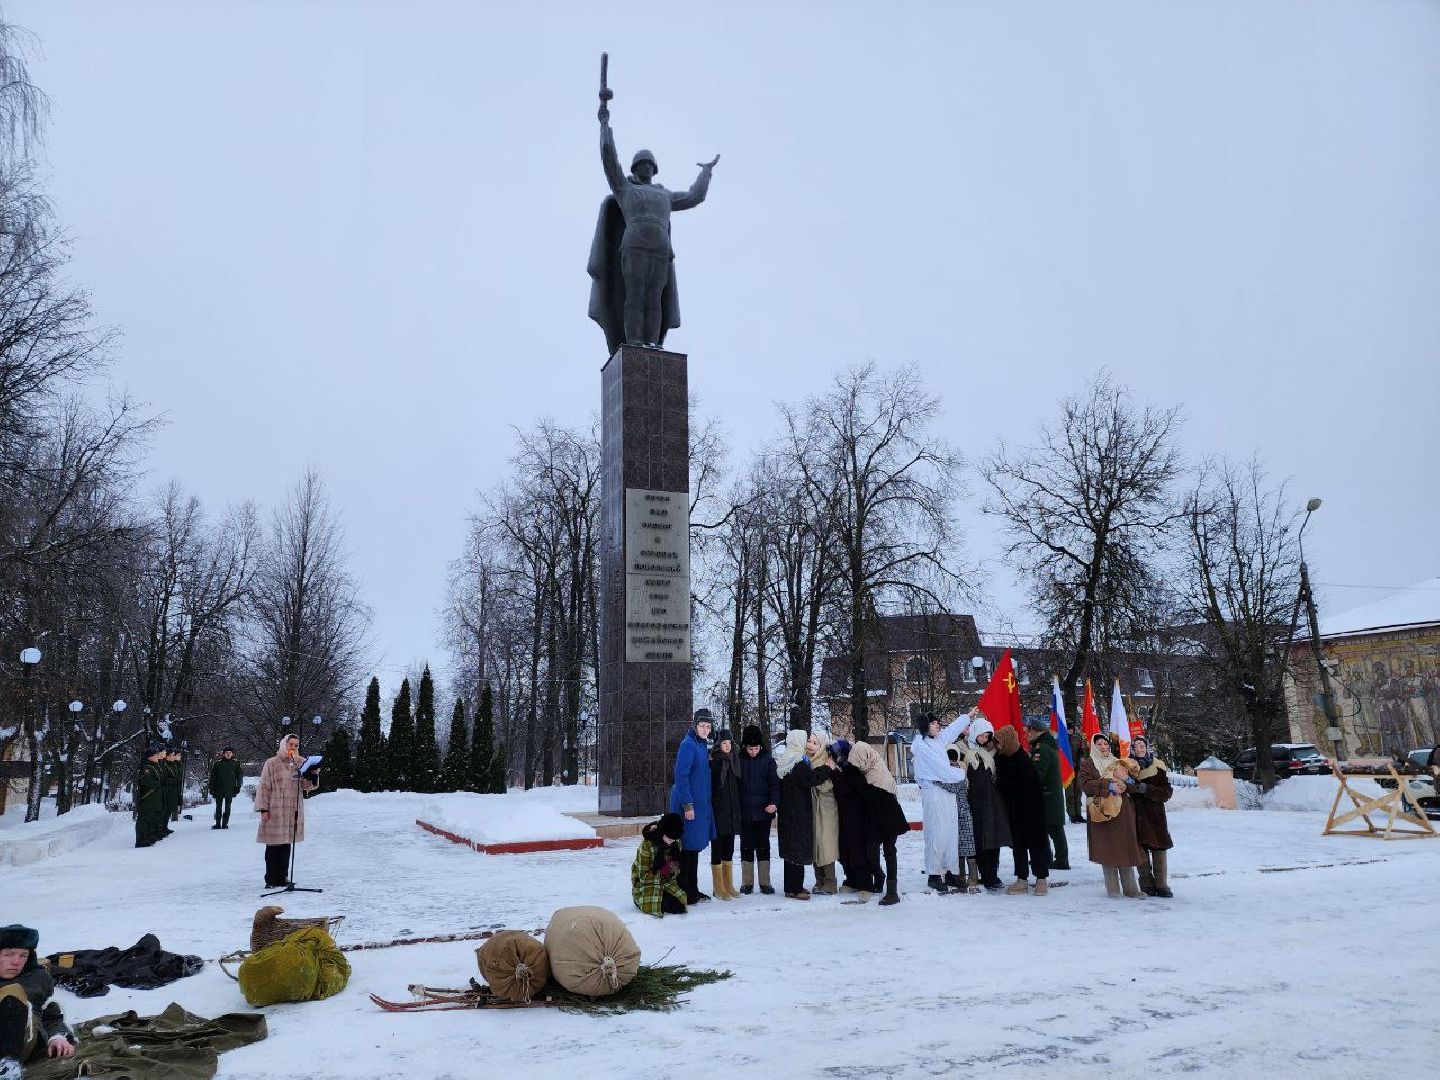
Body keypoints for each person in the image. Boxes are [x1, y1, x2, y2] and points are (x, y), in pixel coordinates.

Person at [591, 91, 719, 351]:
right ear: (635, 167)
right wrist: (605, 123)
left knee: (655, 299)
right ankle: (635, 341)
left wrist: (706, 172)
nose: (648, 167)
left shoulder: (664, 195)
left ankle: (652, 343)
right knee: (635, 295)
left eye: (651, 164)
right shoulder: (625, 189)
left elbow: (695, 197)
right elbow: (608, 159)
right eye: (643, 163)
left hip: (660, 248)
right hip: (634, 244)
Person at [911, 709, 977, 892]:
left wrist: (967, 716)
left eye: (938, 722)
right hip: (933, 792)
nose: (937, 725)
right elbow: (943, 770)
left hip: (947, 791)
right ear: (925, 726)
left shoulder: (938, 739)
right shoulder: (923, 747)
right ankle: (934, 874)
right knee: (937, 834)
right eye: (933, 723)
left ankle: (951, 872)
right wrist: (961, 773)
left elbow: (952, 731)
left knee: (950, 833)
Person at [1076, 733, 1147, 899]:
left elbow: (1133, 786)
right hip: (1103, 811)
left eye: (1105, 744)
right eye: (1099, 744)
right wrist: (1109, 785)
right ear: (1094, 747)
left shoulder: (1117, 762)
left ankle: (1131, 889)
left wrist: (1127, 780)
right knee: (1108, 850)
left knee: (1126, 848)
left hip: (1123, 812)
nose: (1104, 747)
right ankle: (1113, 889)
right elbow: (1086, 785)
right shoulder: (1089, 763)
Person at [0, 924, 76, 1077]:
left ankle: (9, 1068)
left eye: (23, 956)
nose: (16, 962)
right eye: (9, 954)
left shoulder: (37, 979)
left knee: (12, 992)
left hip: (22, 1042)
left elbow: (51, 1013)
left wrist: (58, 1037)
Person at [847, 741, 909, 905]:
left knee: (889, 852)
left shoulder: (877, 769)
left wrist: (856, 779)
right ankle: (879, 876)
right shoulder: (866, 768)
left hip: (889, 815)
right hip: (874, 818)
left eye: (857, 759)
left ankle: (892, 891)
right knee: (870, 849)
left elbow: (871, 794)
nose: (856, 763)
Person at [255, 734, 319, 889]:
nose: (293, 747)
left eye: (296, 745)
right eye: (291, 744)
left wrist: (314, 776)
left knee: (286, 844)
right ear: (284, 744)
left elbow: (307, 785)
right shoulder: (271, 763)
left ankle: (282, 877)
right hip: (275, 808)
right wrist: (263, 808)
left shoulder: (300, 762)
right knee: (273, 845)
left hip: (293, 808)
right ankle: (270, 878)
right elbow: (264, 786)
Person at [994, 726, 1052, 896]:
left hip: (1031, 810)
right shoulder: (1001, 758)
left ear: (1007, 741)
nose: (997, 746)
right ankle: (1021, 879)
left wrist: (1001, 784)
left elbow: (1025, 785)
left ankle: (1041, 879)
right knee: (1018, 846)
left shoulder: (1023, 759)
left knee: (1036, 845)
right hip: (1013, 810)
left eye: (999, 742)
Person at [668, 712, 715, 904]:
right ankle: (684, 890)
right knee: (686, 849)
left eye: (709, 727)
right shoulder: (688, 745)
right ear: (695, 726)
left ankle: (692, 889)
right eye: (703, 726)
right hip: (688, 806)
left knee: (693, 848)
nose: (706, 730)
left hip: (700, 805)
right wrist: (687, 805)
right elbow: (681, 777)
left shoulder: (701, 745)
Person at [966, 718, 1013, 892]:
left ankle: (993, 874)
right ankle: (986, 875)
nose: (984, 739)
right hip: (976, 803)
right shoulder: (967, 753)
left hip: (994, 803)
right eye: (981, 735)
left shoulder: (995, 753)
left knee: (994, 840)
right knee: (981, 841)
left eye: (987, 736)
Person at [775, 729, 821, 900]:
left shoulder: (785, 759)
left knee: (790, 851)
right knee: (798, 850)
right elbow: (810, 780)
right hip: (799, 812)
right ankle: (796, 888)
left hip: (787, 813)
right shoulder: (798, 763)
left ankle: (791, 886)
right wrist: (825, 769)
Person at [1128, 736, 1175, 897]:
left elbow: (1166, 792)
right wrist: (1133, 788)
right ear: (1132, 749)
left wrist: (1146, 789)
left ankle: (1162, 885)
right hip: (1135, 814)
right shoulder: (1127, 767)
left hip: (1155, 815)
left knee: (1158, 847)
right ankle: (1146, 883)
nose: (1139, 749)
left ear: (1147, 748)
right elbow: (1125, 789)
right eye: (1136, 747)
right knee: (1140, 849)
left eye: (1142, 746)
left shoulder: (1158, 767)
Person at [736, 724, 780, 895]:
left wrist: (774, 803)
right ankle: (747, 883)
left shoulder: (768, 760)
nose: (753, 751)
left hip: (764, 812)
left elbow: (775, 785)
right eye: (750, 748)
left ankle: (765, 882)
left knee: (763, 846)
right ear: (744, 747)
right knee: (746, 846)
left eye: (756, 748)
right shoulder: (738, 760)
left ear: (761, 746)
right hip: (745, 812)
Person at [1025, 715, 1071, 870]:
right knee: (1049, 828)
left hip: (1047, 796)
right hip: (1049, 795)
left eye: (1029, 730)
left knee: (1054, 829)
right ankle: (1049, 858)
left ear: (1037, 731)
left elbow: (1038, 773)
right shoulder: (1045, 745)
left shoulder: (1041, 748)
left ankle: (1060, 860)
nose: (1027, 733)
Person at [829, 739, 872, 893]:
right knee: (845, 849)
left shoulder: (853, 769)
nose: (833, 758)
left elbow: (845, 788)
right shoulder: (843, 769)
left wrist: (833, 772)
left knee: (857, 850)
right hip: (845, 816)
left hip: (857, 818)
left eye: (834, 755)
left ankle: (865, 883)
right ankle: (852, 880)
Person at [631, 813, 689, 917]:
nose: (671, 841)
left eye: (674, 839)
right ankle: (639, 899)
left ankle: (663, 897)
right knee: (656, 907)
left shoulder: (676, 842)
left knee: (680, 906)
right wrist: (661, 870)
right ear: (663, 832)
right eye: (669, 838)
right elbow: (643, 876)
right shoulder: (647, 845)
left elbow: (675, 872)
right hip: (647, 883)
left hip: (666, 881)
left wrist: (672, 868)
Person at [708, 728, 743, 901]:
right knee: (717, 848)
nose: (727, 746)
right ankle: (718, 887)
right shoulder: (715, 762)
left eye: (729, 742)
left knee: (729, 848)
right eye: (724, 743)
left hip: (733, 812)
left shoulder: (736, 761)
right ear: (718, 745)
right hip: (718, 811)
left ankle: (728, 885)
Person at [942, 746, 981, 891]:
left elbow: (954, 787)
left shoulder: (959, 770)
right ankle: (961, 877)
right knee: (958, 848)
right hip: (956, 813)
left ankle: (971, 878)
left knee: (967, 847)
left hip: (962, 812)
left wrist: (936, 782)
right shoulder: (956, 768)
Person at [134, 744, 168, 849]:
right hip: (147, 798)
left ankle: (148, 836)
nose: (158, 756)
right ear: (150, 756)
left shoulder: (155, 766)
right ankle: (140, 840)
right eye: (156, 754)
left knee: (151, 819)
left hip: (154, 799)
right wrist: (159, 783)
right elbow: (147, 781)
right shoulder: (147, 767)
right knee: (144, 820)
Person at [210, 747, 244, 831]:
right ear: (223, 754)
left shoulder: (236, 764)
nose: (228, 754)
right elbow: (213, 777)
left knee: (228, 806)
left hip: (230, 788)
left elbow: (239, 776)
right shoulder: (218, 764)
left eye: (230, 752)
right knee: (218, 806)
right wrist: (211, 787)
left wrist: (238, 786)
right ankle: (217, 824)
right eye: (226, 752)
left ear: (233, 754)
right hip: (219, 788)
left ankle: (225, 823)